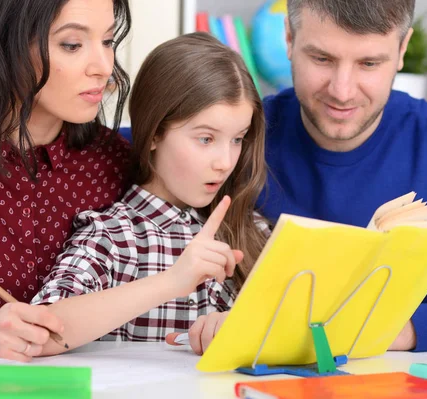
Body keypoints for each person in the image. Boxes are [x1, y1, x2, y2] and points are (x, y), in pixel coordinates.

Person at [258, 0, 427, 352]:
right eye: (322, 59)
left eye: (369, 63)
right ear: (289, 39)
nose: (342, 90)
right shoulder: (235, 139)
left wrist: (388, 330)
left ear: (402, 49)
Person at [30, 32, 269, 356]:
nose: (225, 162)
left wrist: (242, 329)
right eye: (206, 139)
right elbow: (40, 332)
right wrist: (172, 281)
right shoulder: (114, 236)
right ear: (154, 133)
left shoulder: (252, 229)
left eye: (237, 139)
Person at [0, 0, 132, 361]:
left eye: (108, 42)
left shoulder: (116, 162)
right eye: (72, 44)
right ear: (3, 45)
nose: (103, 68)